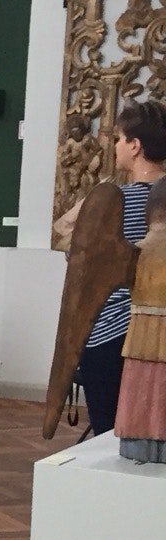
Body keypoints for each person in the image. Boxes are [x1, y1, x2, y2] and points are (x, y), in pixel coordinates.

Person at [77, 97, 166, 437]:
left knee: (108, 435)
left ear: (135, 145)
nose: (115, 145)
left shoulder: (115, 200)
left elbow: (78, 258)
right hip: (158, 330)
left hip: (112, 330)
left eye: (119, 138)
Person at [116, 177, 166, 463]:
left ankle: (137, 445)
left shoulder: (135, 251)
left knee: (141, 389)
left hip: (139, 338)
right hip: (146, 332)